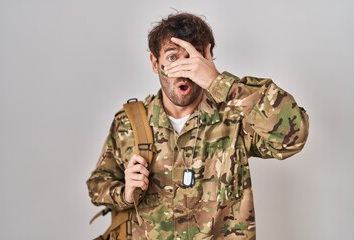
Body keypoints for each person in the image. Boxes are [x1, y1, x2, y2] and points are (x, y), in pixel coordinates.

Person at [87, 12, 309, 240]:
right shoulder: (129, 123)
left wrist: (218, 82)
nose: (184, 70)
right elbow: (97, 185)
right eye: (173, 58)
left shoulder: (234, 116)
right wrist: (124, 193)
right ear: (155, 63)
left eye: (192, 58)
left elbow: (292, 137)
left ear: (208, 57)